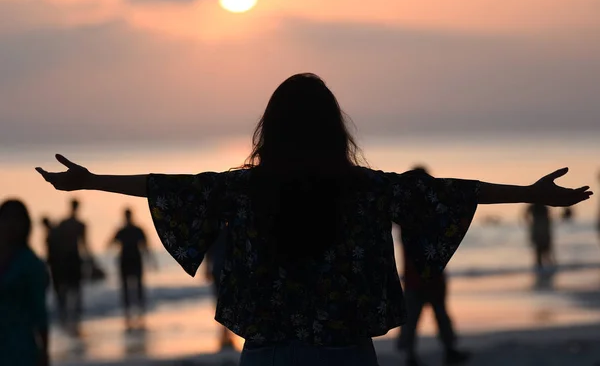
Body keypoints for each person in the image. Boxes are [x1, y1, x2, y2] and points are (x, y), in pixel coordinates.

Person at [35, 73, 593, 366]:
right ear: (333, 129)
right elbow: (445, 194)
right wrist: (531, 193)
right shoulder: (366, 190)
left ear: (270, 130)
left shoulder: (245, 190)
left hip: (270, 355)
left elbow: (168, 187)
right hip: (347, 353)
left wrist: (91, 182)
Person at [397, 166, 469, 366]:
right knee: (430, 317)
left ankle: (415, 355)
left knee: (418, 319)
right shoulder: (432, 211)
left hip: (419, 277)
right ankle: (443, 352)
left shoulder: (404, 212)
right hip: (426, 276)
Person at [0, 199, 50, 366]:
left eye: (17, 219)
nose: (11, 224)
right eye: (6, 218)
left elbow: (40, 311)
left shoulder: (31, 264)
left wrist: (44, 351)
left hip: (20, 348)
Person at [108, 208, 153, 330]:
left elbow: (110, 244)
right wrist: (151, 260)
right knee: (133, 286)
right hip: (132, 260)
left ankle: (132, 312)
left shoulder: (123, 230)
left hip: (128, 260)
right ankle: (137, 310)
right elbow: (146, 246)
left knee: (130, 287)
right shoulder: (136, 230)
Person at [53, 198, 89, 333]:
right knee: (73, 287)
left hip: (69, 257)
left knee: (69, 287)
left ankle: (66, 315)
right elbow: (84, 244)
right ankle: (72, 314)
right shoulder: (78, 224)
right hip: (72, 257)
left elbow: (83, 244)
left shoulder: (65, 223)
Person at [205, 230, 237, 351]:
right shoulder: (230, 232)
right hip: (226, 268)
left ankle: (224, 328)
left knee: (219, 299)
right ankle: (226, 328)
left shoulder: (214, 232)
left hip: (218, 268)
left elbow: (208, 253)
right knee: (228, 299)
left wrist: (207, 268)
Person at [524, 203, 554, 270]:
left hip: (539, 228)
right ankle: (546, 268)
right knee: (544, 250)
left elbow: (525, 216)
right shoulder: (541, 206)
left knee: (542, 250)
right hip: (541, 228)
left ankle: (542, 269)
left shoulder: (534, 206)